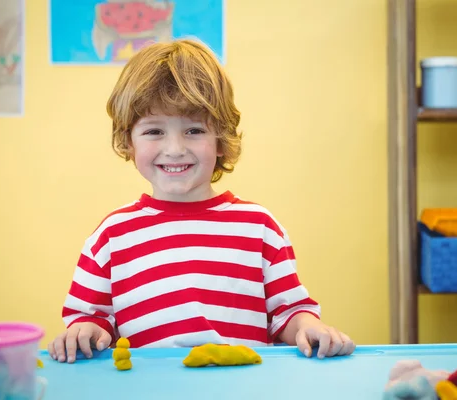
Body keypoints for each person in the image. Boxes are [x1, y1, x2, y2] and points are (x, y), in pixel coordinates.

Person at [47, 39, 355, 364]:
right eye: (154, 132)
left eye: (194, 130)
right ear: (128, 141)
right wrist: (83, 331)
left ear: (221, 139)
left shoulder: (260, 228)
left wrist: (309, 327)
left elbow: (288, 313)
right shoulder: (111, 236)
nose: (175, 148)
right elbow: (90, 319)